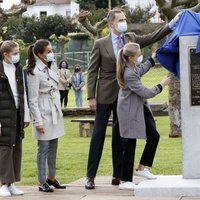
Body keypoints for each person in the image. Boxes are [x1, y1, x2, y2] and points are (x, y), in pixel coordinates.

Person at [85, 7, 180, 190]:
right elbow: (92, 71)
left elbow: (153, 36)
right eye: (120, 19)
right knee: (98, 135)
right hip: (106, 94)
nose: (124, 22)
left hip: (127, 97)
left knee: (122, 137)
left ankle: (118, 175)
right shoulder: (100, 43)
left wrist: (172, 24)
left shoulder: (131, 38)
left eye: (124, 19)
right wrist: (91, 96)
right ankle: (90, 176)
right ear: (111, 23)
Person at [116, 42, 170, 190]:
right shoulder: (128, 73)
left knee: (153, 136)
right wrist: (162, 84)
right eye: (139, 55)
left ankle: (141, 169)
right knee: (129, 144)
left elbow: (140, 70)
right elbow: (146, 92)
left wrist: (152, 60)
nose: (141, 56)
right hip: (128, 111)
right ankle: (124, 180)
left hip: (139, 108)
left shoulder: (132, 67)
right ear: (131, 57)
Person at [27, 39, 66, 192]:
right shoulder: (33, 71)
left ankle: (51, 177)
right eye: (48, 52)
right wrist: (38, 121)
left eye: (51, 50)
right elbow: (33, 99)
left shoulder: (51, 66)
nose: (51, 54)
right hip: (43, 111)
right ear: (39, 54)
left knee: (54, 146)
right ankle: (41, 181)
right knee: (43, 147)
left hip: (54, 109)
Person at [0, 40, 30, 197]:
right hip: (3, 114)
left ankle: (12, 183)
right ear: (5, 54)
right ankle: (3, 184)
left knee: (16, 148)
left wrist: (26, 115)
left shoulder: (18, 69)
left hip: (17, 113)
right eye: (15, 53)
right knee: (5, 148)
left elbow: (23, 92)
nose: (18, 56)